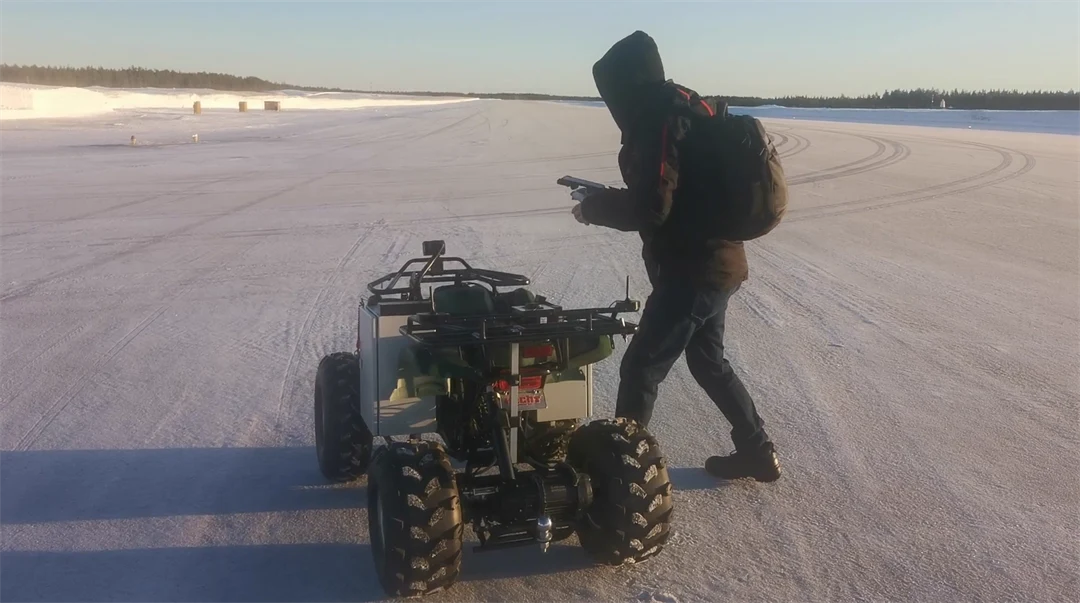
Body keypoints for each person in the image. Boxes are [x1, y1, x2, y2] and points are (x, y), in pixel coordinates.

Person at [570, 31, 781, 482]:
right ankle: (757, 452)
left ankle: (621, 480)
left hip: (693, 269)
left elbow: (652, 207)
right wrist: (607, 196)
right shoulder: (686, 108)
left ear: (624, 85)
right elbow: (674, 191)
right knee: (709, 363)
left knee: (640, 369)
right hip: (719, 262)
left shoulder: (656, 119)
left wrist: (594, 209)